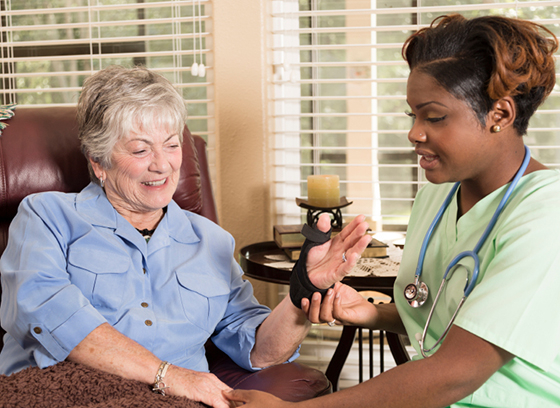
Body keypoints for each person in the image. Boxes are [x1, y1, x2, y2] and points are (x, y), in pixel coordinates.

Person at [225, 14, 560, 408]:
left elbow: (457, 372)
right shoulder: (435, 199)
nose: (415, 133)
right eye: (412, 115)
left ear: (499, 115)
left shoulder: (545, 217)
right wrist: (372, 313)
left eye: (434, 117)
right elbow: (447, 313)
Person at [0, 65, 372, 408]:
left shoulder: (210, 240)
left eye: (172, 144)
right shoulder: (46, 215)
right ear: (98, 161)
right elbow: (48, 312)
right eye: (140, 149)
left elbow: (258, 350)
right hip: (64, 392)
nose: (162, 164)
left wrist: (302, 291)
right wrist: (170, 376)